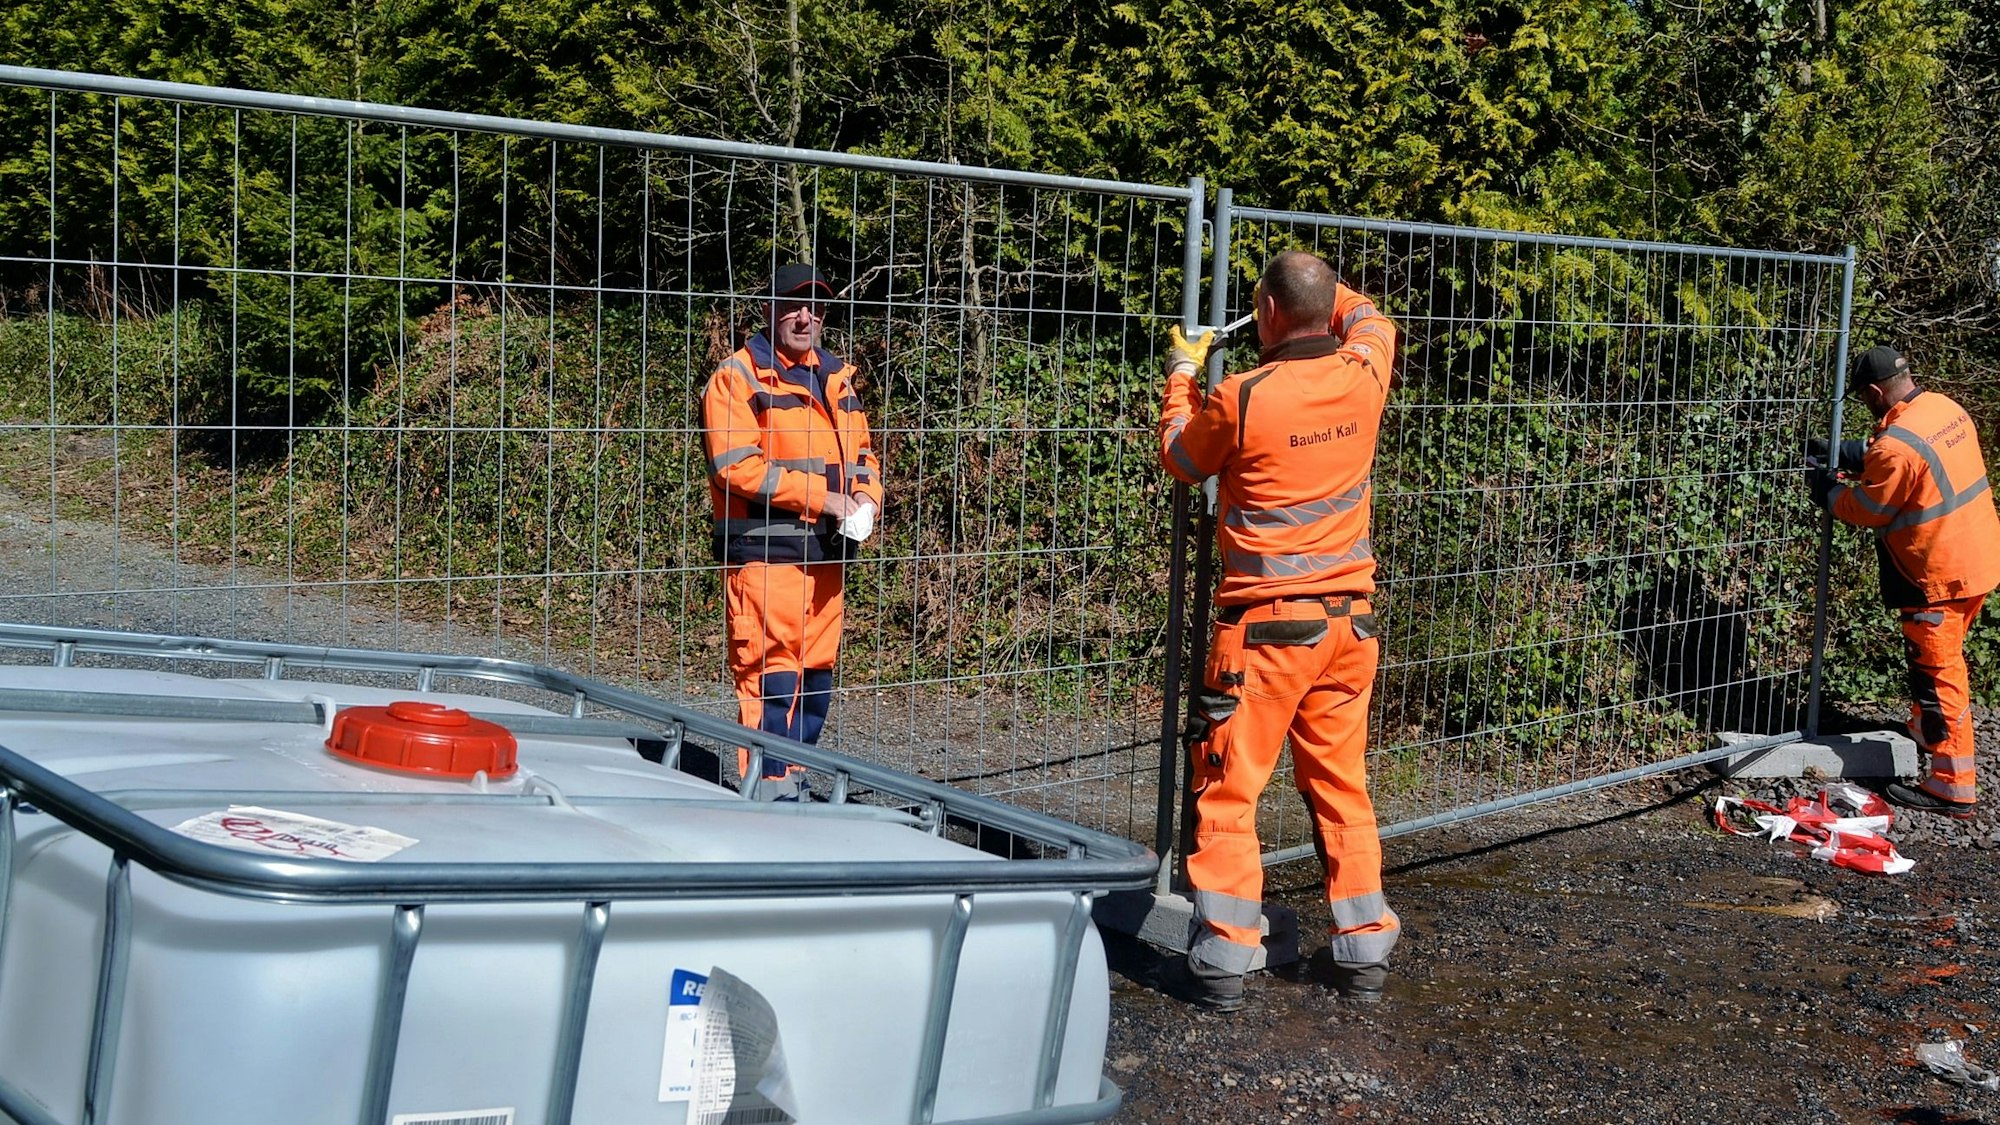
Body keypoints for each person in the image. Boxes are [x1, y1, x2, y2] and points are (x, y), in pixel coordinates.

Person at [1155, 250, 1400, 1011]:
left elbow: (1180, 457)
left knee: (1228, 792)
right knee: (1340, 785)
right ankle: (1364, 951)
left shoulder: (1243, 394)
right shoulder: (1366, 371)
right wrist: (1314, 291)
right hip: (1348, 628)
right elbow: (1367, 317)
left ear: (1263, 314)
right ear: (1326, 309)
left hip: (1264, 636)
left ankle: (1224, 961)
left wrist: (1179, 371)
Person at [703, 263, 883, 786]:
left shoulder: (836, 378)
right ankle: (768, 793)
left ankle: (794, 785)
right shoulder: (736, 378)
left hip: (827, 556)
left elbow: (863, 455)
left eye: (817, 307)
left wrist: (867, 500)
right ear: (770, 309)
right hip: (766, 557)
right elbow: (736, 465)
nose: (806, 317)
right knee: (770, 677)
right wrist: (825, 500)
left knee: (815, 677)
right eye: (795, 305)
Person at [1812, 345, 2000, 818]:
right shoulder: (1944, 408)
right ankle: (1923, 728)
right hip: (1977, 561)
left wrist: (1829, 490)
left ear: (1875, 392)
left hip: (1934, 576)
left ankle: (1951, 784)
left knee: (1938, 677)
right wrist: (1850, 454)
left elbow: (1870, 508)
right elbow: (1908, 462)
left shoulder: (1896, 446)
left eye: (1863, 398)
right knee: (1945, 660)